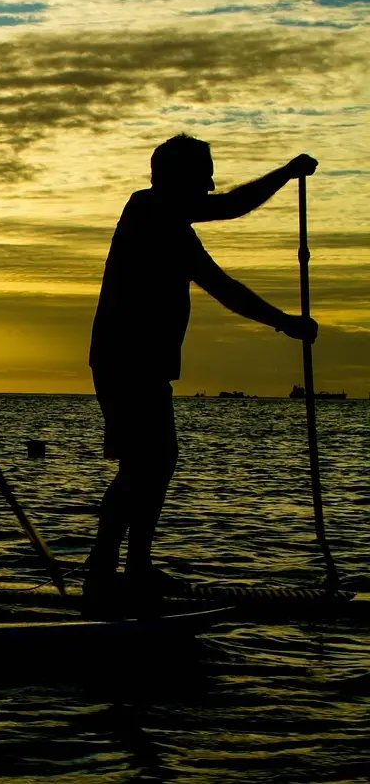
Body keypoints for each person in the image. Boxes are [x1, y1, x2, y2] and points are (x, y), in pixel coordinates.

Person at [85, 133, 318, 600]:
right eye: (203, 173)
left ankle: (133, 567)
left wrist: (284, 324)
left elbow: (222, 286)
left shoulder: (174, 230)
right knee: (143, 465)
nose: (210, 183)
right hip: (126, 361)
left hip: (144, 364)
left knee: (154, 462)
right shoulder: (148, 210)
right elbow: (231, 207)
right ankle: (103, 569)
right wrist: (285, 173)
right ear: (174, 176)